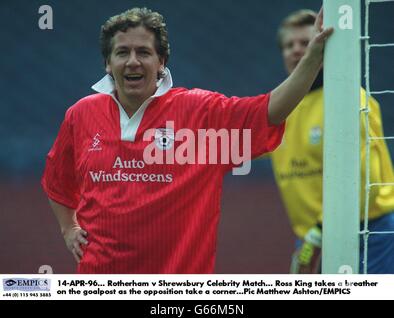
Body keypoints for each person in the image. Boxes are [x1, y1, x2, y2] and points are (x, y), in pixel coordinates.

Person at [41, 7, 333, 273]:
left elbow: (269, 111)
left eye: (143, 52)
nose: (132, 61)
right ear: (108, 63)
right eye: (122, 52)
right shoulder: (80, 115)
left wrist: (312, 57)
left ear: (161, 62)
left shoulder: (201, 113)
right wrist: (69, 228)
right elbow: (58, 181)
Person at [270, 9, 394, 274]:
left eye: (305, 42)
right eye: (289, 45)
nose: (295, 50)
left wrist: (318, 232)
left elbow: (363, 179)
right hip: (315, 237)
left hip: (370, 231)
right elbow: (242, 146)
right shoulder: (282, 108)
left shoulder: (352, 100)